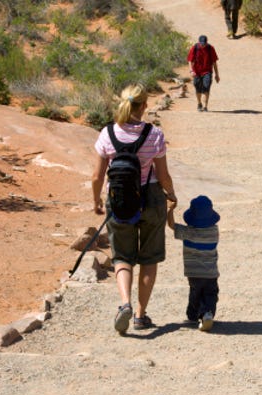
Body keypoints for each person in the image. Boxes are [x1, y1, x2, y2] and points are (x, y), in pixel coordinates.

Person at [92, 83, 177, 335]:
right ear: (144, 105)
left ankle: (125, 303)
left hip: (119, 200)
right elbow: (163, 175)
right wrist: (171, 194)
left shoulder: (107, 133)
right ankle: (141, 314)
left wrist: (96, 199)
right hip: (150, 197)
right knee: (149, 258)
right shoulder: (154, 134)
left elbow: (97, 175)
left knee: (122, 256)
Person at [167, 195, 220, 332]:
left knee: (195, 294)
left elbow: (172, 225)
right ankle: (208, 313)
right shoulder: (214, 231)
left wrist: (170, 211)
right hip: (211, 272)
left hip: (193, 272)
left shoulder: (187, 232)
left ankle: (194, 315)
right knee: (210, 294)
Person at [187, 35, 220, 112]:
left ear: (206, 42)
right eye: (201, 43)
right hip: (197, 72)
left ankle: (205, 106)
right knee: (197, 88)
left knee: (206, 87)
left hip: (207, 71)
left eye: (204, 43)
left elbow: (214, 62)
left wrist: (217, 75)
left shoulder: (210, 48)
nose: (203, 45)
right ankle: (199, 103)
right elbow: (190, 60)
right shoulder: (195, 48)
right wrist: (191, 70)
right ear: (199, 42)